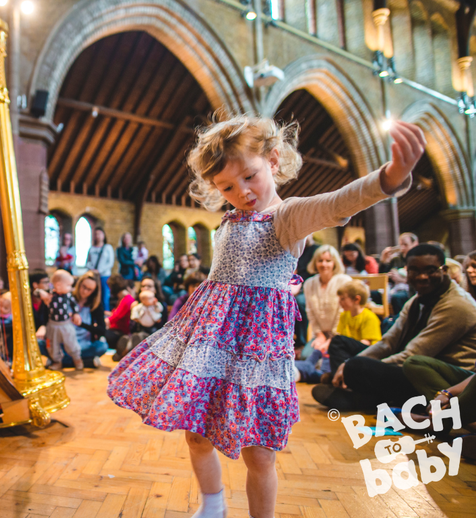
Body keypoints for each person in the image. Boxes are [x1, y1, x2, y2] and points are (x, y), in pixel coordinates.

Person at [107, 115, 425, 518]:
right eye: (226, 186)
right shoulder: (228, 219)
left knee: (259, 455)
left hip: (257, 351)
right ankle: (213, 505)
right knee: (196, 434)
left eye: (249, 177)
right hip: (210, 341)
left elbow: (337, 203)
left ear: (273, 160)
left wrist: (391, 177)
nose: (241, 192)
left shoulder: (287, 217)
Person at [314, 244, 476, 411]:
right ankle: (360, 393)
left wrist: (355, 367)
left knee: (358, 367)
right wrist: (347, 364)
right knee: (339, 343)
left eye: (430, 270)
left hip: (439, 384)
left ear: (444, 270)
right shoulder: (418, 300)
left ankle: (361, 396)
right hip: (412, 366)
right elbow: (388, 342)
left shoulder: (456, 305)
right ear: (407, 271)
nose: (422, 276)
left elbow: (414, 355)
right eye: (414, 270)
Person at [297, 280, 382, 384]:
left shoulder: (369, 317)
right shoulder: (344, 315)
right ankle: (325, 374)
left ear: (356, 299)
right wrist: (325, 346)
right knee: (323, 352)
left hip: (365, 355)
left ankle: (329, 375)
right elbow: (339, 336)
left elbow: (367, 343)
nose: (339, 302)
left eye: (343, 299)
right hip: (348, 353)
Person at [301, 245, 352, 359]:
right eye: (320, 261)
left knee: (329, 358)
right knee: (305, 356)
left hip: (341, 333)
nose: (324, 264)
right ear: (315, 263)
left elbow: (343, 313)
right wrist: (319, 335)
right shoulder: (309, 283)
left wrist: (332, 338)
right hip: (321, 334)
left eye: (328, 261)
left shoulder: (344, 281)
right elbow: (310, 312)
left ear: (335, 263)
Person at [45, 269, 83, 371]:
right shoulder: (49, 294)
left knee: (71, 342)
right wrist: (40, 293)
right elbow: (37, 294)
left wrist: (75, 314)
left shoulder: (68, 296)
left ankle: (77, 359)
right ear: (58, 285)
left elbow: (74, 305)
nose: (70, 288)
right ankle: (57, 361)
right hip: (52, 325)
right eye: (68, 285)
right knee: (53, 345)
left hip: (65, 324)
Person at [380, 232, 418, 313]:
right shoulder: (396, 259)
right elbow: (383, 276)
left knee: (397, 297)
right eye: (401, 245)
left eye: (405, 244)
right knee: (375, 295)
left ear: (414, 244)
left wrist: (403, 279)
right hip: (395, 288)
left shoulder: (418, 259)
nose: (403, 248)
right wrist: (384, 262)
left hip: (411, 289)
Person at [106, 274, 136, 361]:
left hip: (121, 331)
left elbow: (117, 316)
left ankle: (122, 350)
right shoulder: (124, 298)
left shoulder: (127, 299)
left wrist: (104, 321)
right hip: (117, 329)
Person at [85, 227, 115, 311]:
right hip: (94, 276)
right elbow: (88, 262)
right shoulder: (91, 248)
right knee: (93, 297)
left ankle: (106, 317)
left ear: (103, 235)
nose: (97, 236)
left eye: (99, 234)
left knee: (104, 297)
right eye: (96, 234)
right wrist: (92, 270)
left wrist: (100, 271)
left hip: (104, 276)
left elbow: (110, 262)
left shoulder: (108, 248)